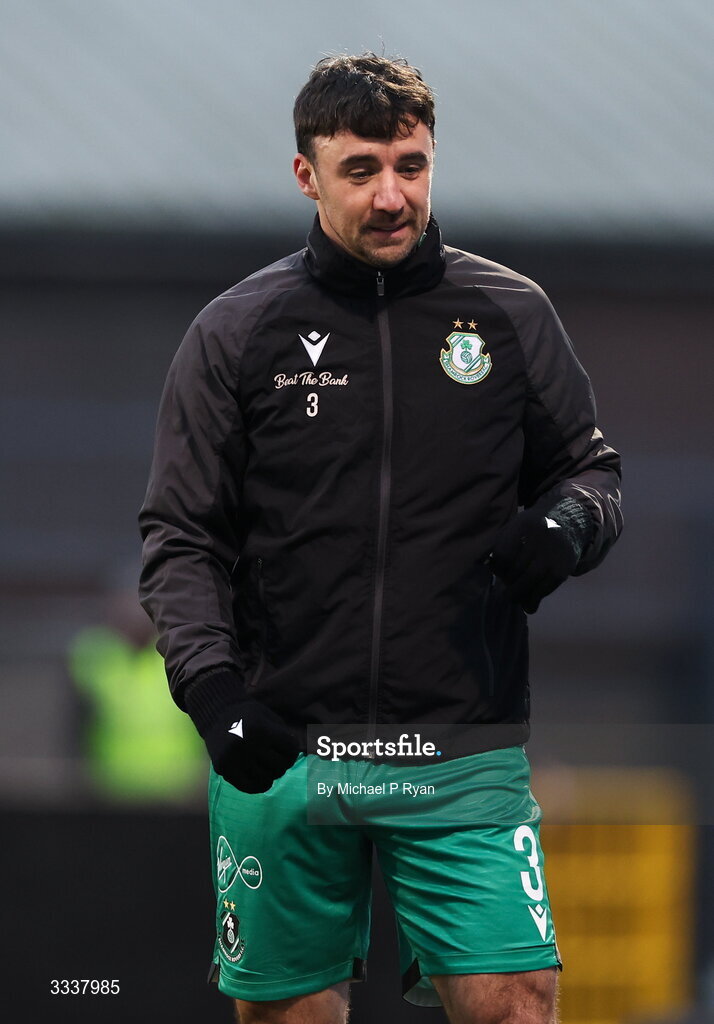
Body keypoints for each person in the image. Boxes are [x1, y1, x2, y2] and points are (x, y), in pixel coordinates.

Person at [139, 53, 622, 1024]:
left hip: (459, 747)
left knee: (518, 1001)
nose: (393, 194)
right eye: (361, 169)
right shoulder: (236, 333)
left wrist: (567, 525)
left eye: (412, 164)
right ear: (305, 174)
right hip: (288, 749)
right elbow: (181, 534)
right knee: (292, 1015)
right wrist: (215, 692)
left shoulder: (510, 314)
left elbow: (593, 473)